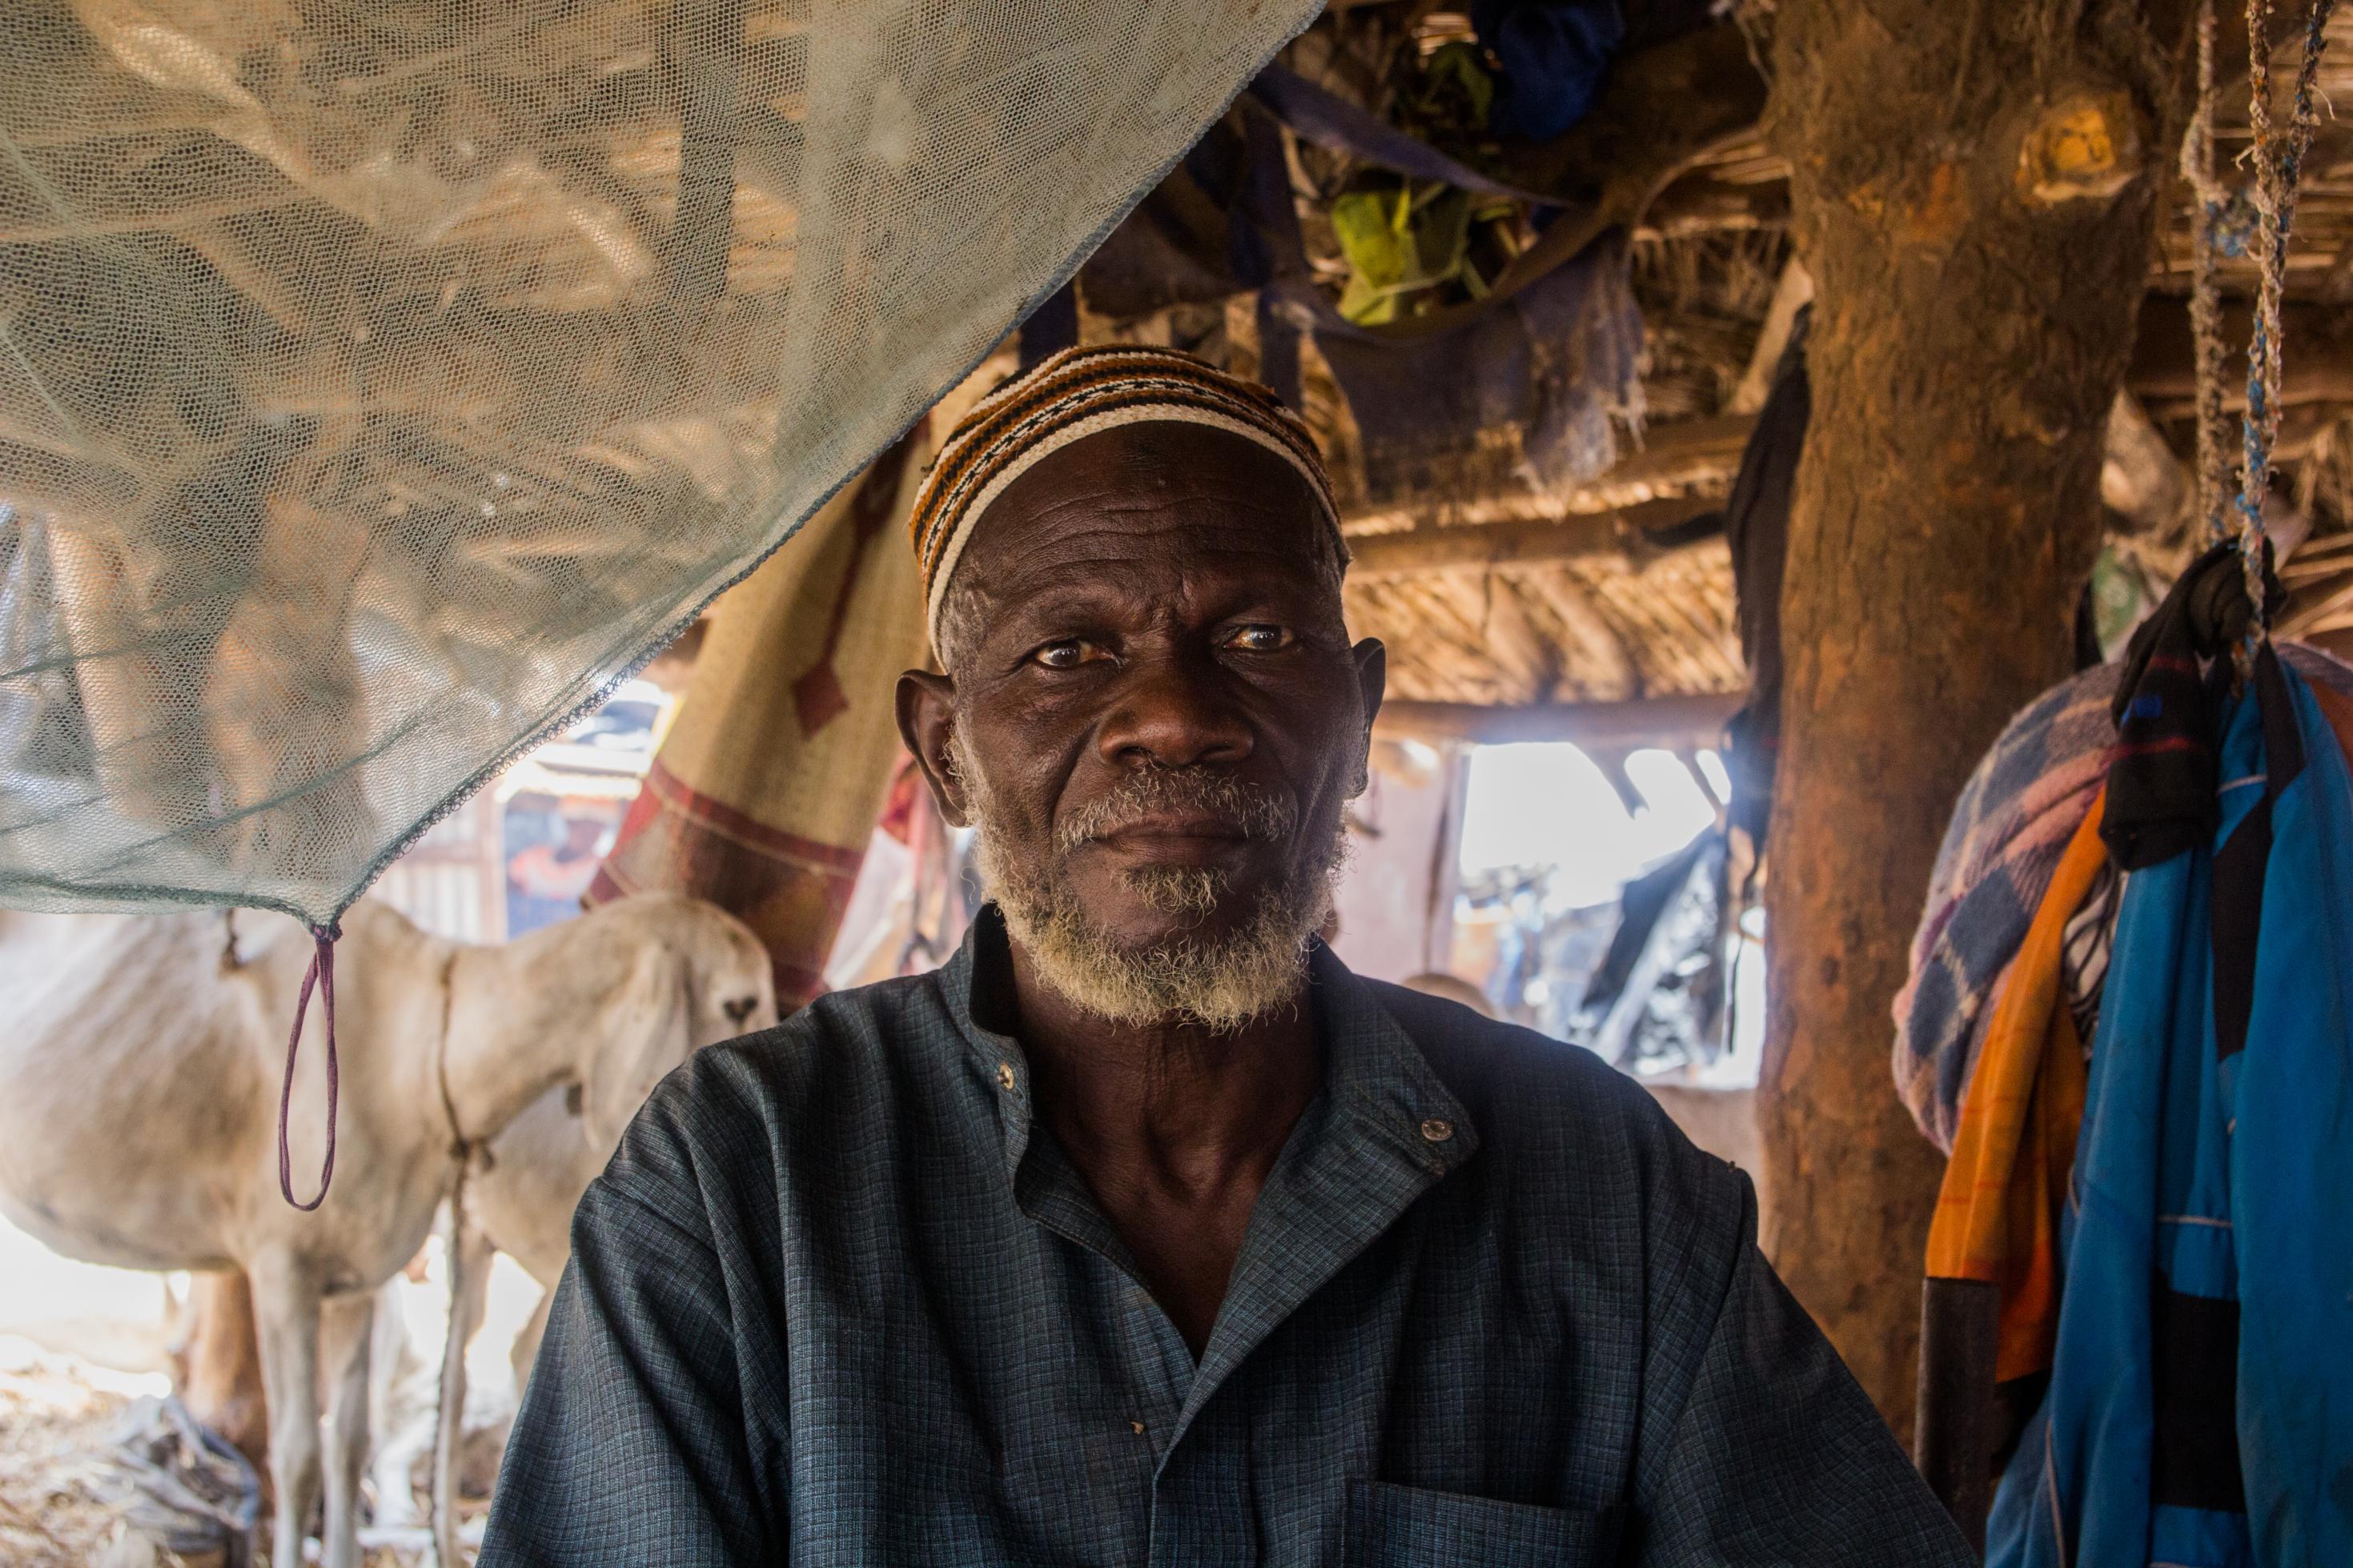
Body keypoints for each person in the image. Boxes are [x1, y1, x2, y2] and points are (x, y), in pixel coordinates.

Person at [480, 347, 1971, 1565]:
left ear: (1361, 714)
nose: (1174, 716)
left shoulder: (1601, 1191)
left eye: (1257, 639)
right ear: (945, 747)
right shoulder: (743, 1193)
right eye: (1068, 653)